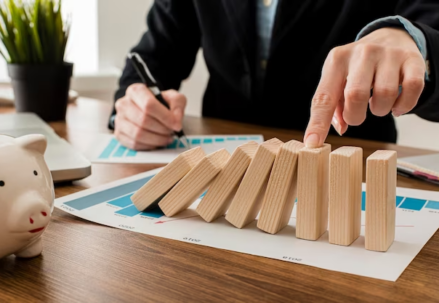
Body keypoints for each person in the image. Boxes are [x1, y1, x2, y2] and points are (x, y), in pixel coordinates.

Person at [110, 0, 439, 150]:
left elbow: (430, 25)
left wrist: (414, 40)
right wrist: (132, 104)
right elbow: (152, 56)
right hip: (228, 165)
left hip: (351, 160)